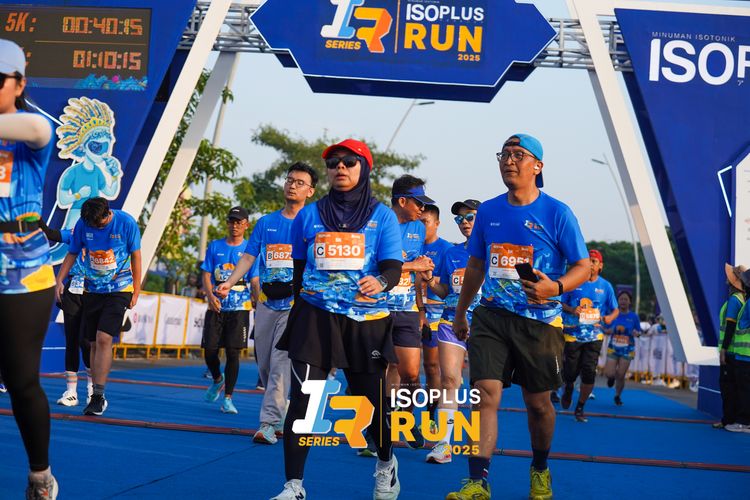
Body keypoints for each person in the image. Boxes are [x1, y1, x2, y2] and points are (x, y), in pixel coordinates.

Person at [446, 134, 589, 500]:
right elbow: (476, 265)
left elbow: (583, 266)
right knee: (484, 395)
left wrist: (555, 287)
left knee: (538, 405)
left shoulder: (557, 212)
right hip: (491, 317)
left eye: (518, 155)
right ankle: (477, 482)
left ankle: (540, 468)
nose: (509, 160)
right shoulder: (489, 211)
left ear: (537, 166)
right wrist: (461, 314)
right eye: (504, 154)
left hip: (539, 322)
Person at [271, 139, 403, 500]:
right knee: (304, 400)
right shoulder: (308, 215)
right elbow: (299, 268)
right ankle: (294, 485)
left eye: (349, 162)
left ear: (365, 168)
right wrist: (303, 301)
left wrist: (381, 282)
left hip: (365, 321)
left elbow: (392, 267)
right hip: (315, 318)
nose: (340, 168)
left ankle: (386, 465)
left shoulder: (383, 216)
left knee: (369, 402)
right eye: (333, 163)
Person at [216, 162, 318, 443]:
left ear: (310, 191)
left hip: (295, 305)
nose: (292, 185)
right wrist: (229, 282)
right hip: (266, 303)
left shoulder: (313, 223)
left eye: (299, 182)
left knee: (279, 363)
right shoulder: (266, 223)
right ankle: (281, 412)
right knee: (264, 364)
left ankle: (269, 423)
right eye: (289, 180)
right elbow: (249, 257)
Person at [0, 39, 59, 499]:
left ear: (20, 84)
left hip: (24, 274)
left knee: (20, 382)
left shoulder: (31, 130)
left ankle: (40, 475)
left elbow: (39, 129)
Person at [56, 197, 141, 416]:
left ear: (107, 213)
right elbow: (73, 252)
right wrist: (59, 281)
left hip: (119, 288)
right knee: (92, 342)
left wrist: (136, 290)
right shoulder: (83, 224)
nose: (96, 228)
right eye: (92, 225)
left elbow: (136, 256)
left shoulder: (126, 223)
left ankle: (98, 396)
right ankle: (93, 390)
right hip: (92, 289)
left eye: (99, 224)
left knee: (104, 338)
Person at [421, 199, 482, 464]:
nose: (464, 223)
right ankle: (443, 444)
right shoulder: (452, 254)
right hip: (450, 322)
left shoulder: (493, 251)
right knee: (449, 381)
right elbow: (444, 290)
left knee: (481, 388)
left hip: (484, 324)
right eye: (459, 219)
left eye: (470, 217)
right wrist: (430, 281)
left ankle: (478, 446)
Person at [384, 174, 435, 450]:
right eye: (419, 203)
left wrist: (424, 276)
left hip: (406, 309)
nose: (422, 209)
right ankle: (381, 424)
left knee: (412, 373)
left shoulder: (418, 228)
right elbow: (375, 266)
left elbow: (417, 270)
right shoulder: (378, 223)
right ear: (402, 201)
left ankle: (404, 418)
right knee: (381, 370)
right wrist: (413, 266)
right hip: (377, 309)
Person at [200, 206, 252, 414]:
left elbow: (255, 278)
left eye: (239, 222)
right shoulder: (215, 246)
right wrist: (210, 296)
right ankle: (217, 379)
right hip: (216, 306)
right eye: (231, 221)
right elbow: (206, 274)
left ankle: (228, 398)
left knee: (233, 352)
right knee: (209, 350)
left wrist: (258, 301)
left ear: (246, 225)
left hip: (240, 308)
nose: (234, 226)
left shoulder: (250, 249)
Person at [559, 249, 618, 422]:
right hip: (572, 335)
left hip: (594, 336)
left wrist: (609, 318)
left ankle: (580, 407)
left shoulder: (605, 286)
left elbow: (615, 309)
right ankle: (568, 388)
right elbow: (559, 302)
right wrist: (572, 309)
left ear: (600, 266)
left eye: (594, 261)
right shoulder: (574, 280)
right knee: (570, 373)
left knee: (589, 373)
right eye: (589, 260)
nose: (591, 264)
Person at [39, 220, 92, 407]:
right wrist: (35, 217)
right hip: (73, 290)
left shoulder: (107, 234)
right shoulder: (76, 231)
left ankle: (93, 390)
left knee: (87, 342)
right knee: (72, 341)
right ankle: (71, 392)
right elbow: (51, 234)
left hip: (95, 292)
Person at [420, 204, 455, 430]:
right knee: (398, 366)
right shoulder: (410, 244)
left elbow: (448, 284)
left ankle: (431, 414)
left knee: (432, 366)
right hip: (408, 311)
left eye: (425, 222)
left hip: (435, 315)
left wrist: (427, 277)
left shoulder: (446, 249)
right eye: (418, 222)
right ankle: (392, 414)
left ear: (437, 223)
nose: (421, 227)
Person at [715, 264, 748, 430]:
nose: (726, 282)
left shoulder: (735, 300)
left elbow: (730, 327)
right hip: (736, 352)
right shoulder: (741, 299)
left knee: (728, 387)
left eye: (728, 279)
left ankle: (728, 419)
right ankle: (730, 419)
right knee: (734, 388)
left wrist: (723, 349)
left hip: (732, 351)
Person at [604, 291, 640, 405]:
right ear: (617, 301)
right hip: (613, 347)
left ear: (630, 302)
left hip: (627, 349)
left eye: (625, 299)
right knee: (609, 373)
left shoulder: (634, 316)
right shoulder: (613, 314)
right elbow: (605, 328)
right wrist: (607, 331)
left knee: (621, 374)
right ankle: (611, 378)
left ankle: (617, 395)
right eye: (621, 299)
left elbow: (639, 331)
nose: (623, 301)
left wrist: (636, 333)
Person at [725, 267, 750, 433]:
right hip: (743, 356)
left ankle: (743, 422)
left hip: (745, 356)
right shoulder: (746, 301)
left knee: (744, 391)